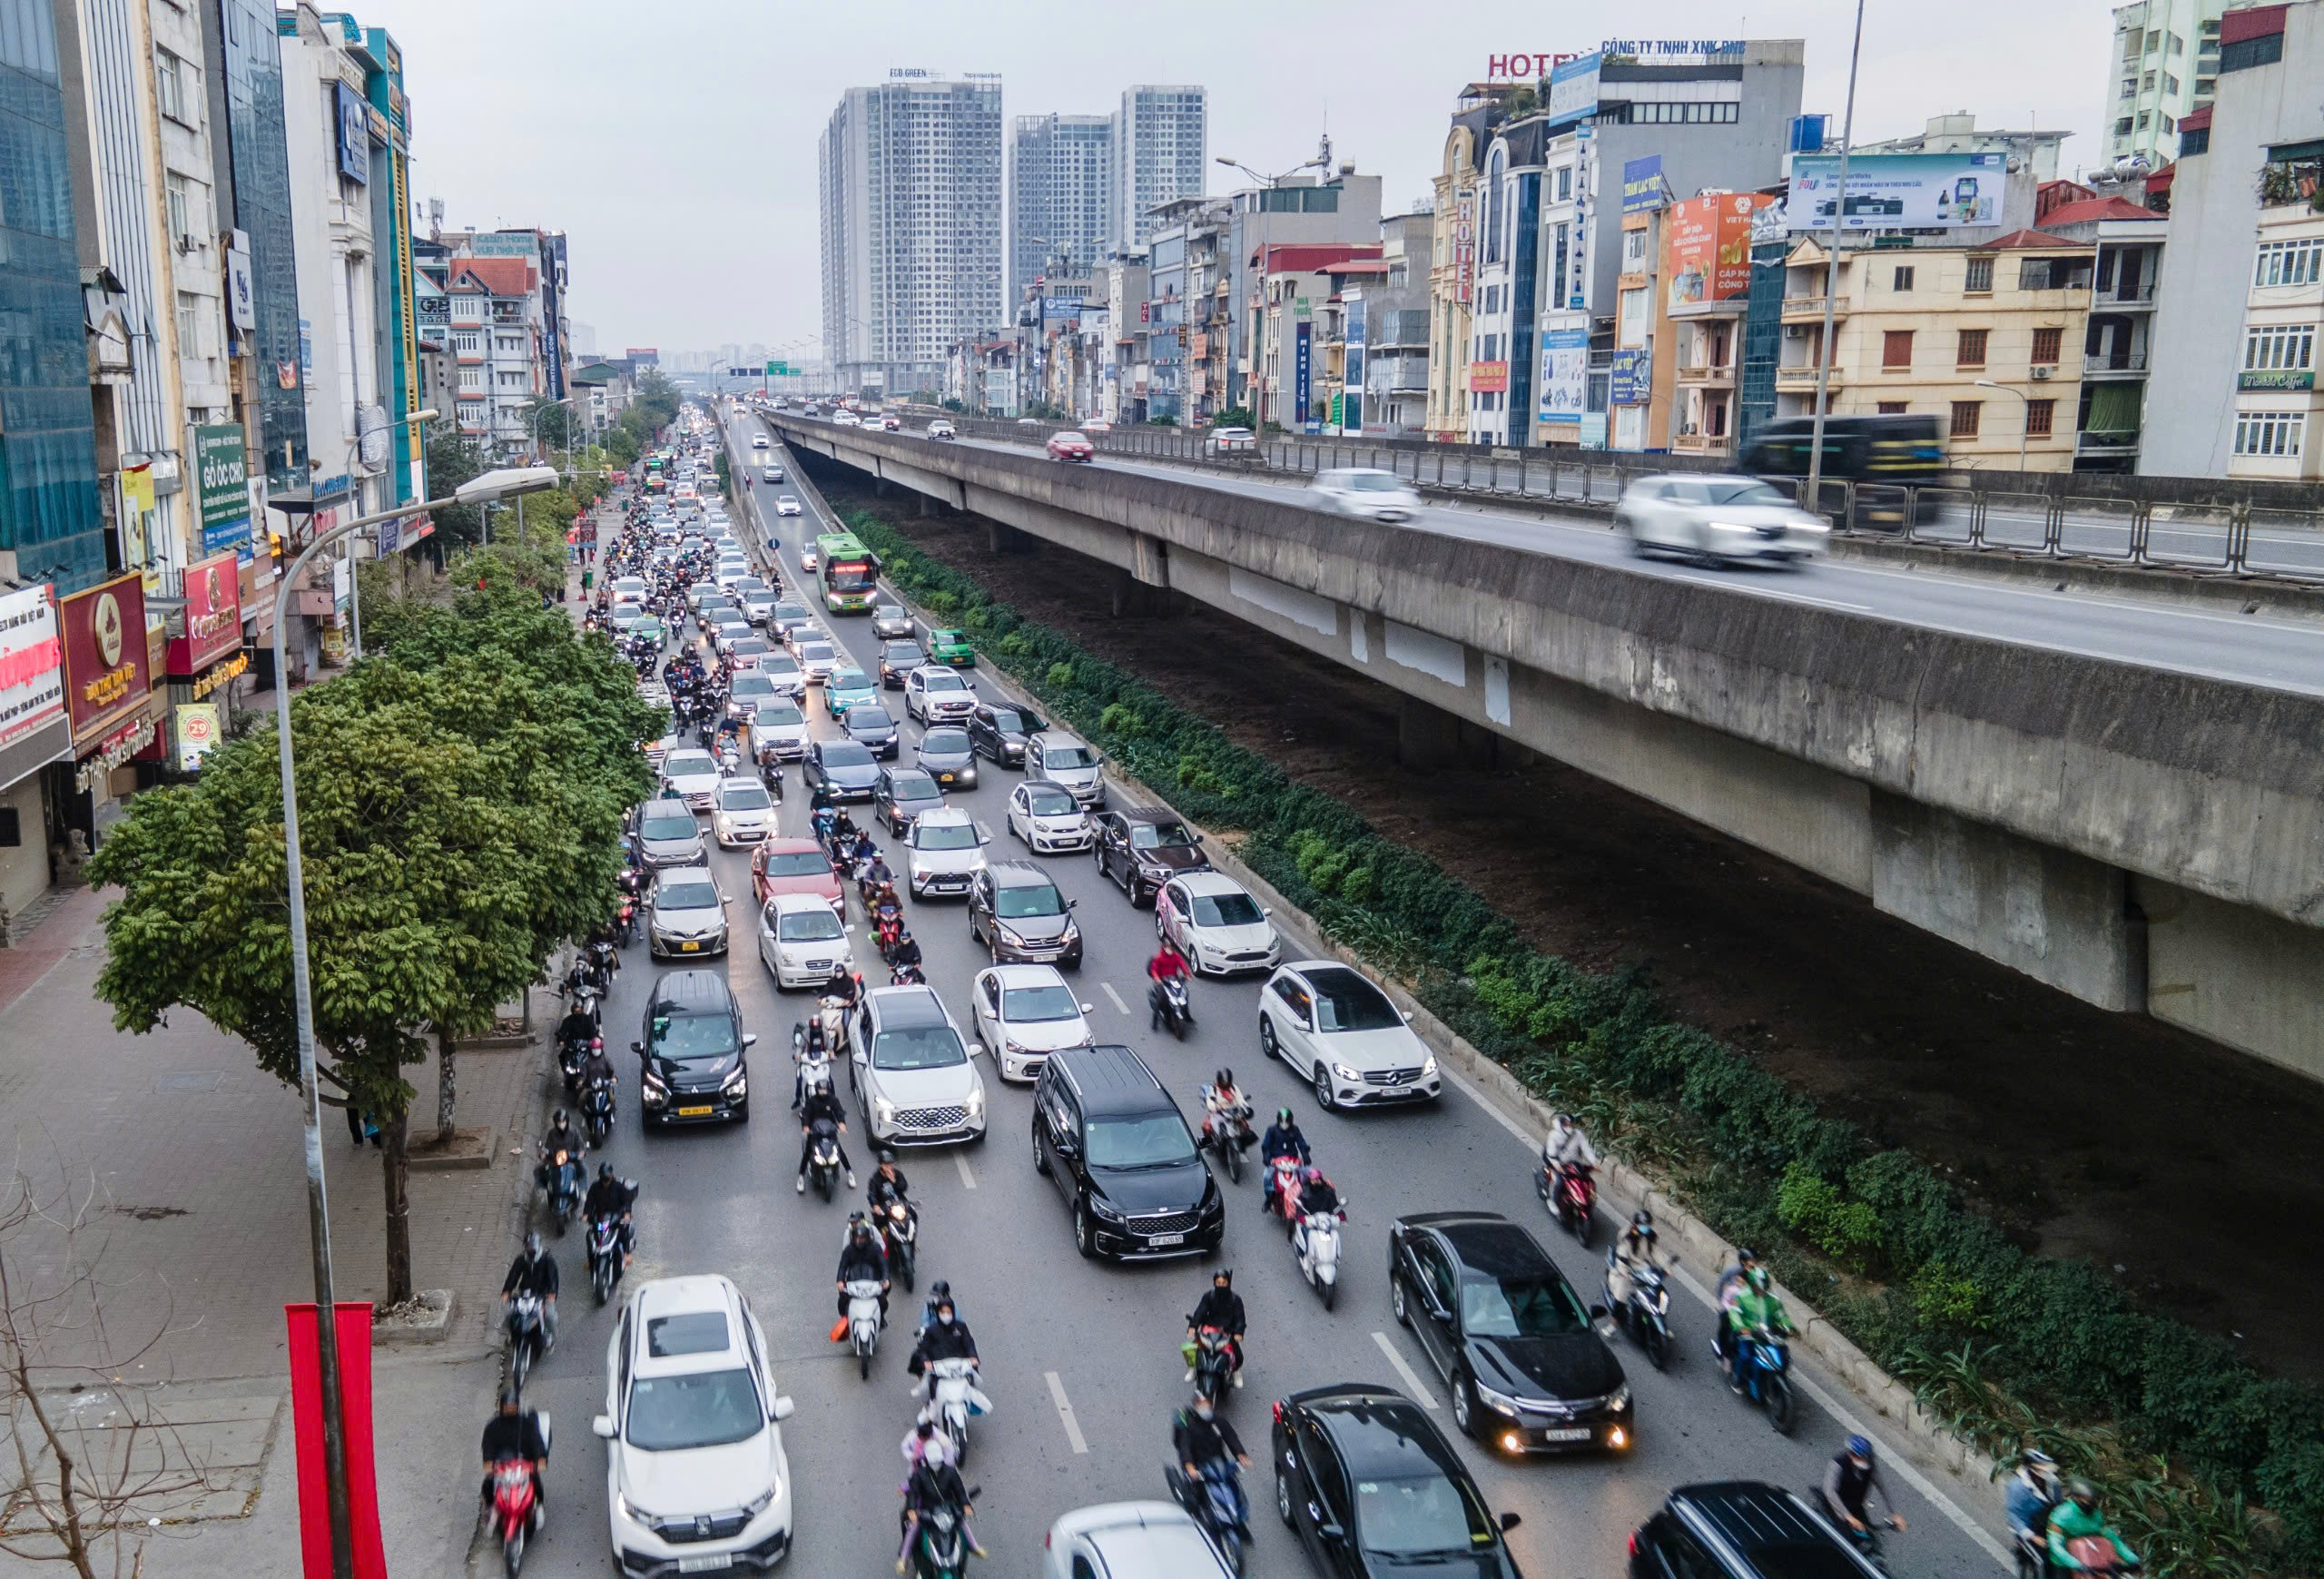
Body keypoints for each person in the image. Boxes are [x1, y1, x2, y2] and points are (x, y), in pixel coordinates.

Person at [1171, 1393, 1251, 1533]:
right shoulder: (1189, 1425)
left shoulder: (1217, 1420)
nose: (1205, 1408)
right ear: (1196, 1407)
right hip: (1198, 1466)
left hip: (1218, 1463)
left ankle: (1238, 1518)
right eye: (1202, 1405)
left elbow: (1230, 1436)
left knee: (1232, 1485)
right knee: (1194, 1499)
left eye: (1207, 1405)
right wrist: (1190, 1467)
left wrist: (1240, 1454)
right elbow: (1185, 1447)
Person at [896, 1450, 983, 1573]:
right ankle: (904, 1559)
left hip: (948, 1509)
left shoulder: (951, 1472)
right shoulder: (919, 1475)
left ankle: (974, 1547)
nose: (936, 1464)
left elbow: (960, 1491)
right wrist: (912, 1509)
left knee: (962, 1523)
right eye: (933, 1462)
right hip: (927, 1511)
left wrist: (965, 1505)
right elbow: (913, 1493)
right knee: (913, 1528)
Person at [478, 1387, 549, 1537]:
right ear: (502, 1407)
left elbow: (536, 1441)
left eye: (513, 1407)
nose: (510, 1410)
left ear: (517, 1406)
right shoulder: (493, 1426)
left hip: (523, 1465)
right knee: (488, 1483)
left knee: (535, 1480)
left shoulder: (526, 1424)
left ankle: (538, 1505)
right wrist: (488, 1462)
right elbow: (488, 1445)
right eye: (507, 1407)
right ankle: (491, 1508)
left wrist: (540, 1459)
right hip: (503, 1466)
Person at [1822, 1436, 1906, 1544]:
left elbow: (1882, 1488)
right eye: (1862, 1458)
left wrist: (1895, 1513)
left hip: (1855, 1505)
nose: (1865, 1461)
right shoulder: (1838, 1464)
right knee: (1848, 1541)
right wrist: (1849, 1517)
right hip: (1837, 1506)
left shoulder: (1870, 1466)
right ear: (1852, 1455)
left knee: (1869, 1534)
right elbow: (1830, 1491)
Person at [2045, 1478, 2139, 1574]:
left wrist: (2132, 1559)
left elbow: (2112, 1538)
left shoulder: (2096, 1513)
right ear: (2075, 1498)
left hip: (2091, 1559)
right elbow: (2055, 1545)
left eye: (2091, 1499)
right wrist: (2076, 1564)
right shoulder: (2061, 1515)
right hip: (2066, 1564)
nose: (2089, 1502)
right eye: (2085, 1499)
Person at [1724, 1265, 1793, 1394]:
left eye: (1764, 1287)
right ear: (1752, 1285)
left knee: (1784, 1355)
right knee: (1745, 1356)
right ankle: (1737, 1379)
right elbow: (1734, 1313)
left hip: (1768, 1336)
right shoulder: (1742, 1296)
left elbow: (1782, 1316)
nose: (1761, 1290)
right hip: (1748, 1336)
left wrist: (1789, 1327)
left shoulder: (1773, 1301)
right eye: (1758, 1287)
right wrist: (1741, 1327)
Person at [906, 1294, 979, 1406]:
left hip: (958, 1366)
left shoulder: (961, 1327)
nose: (945, 1315)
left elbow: (969, 1343)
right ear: (938, 1313)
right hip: (939, 1367)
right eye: (942, 1312)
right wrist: (926, 1361)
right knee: (930, 1401)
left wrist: (973, 1357)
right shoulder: (931, 1330)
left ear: (953, 1313)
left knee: (972, 1376)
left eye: (948, 1312)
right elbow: (923, 1349)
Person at [500, 1231, 559, 1351]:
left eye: (533, 1247)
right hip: (525, 1294)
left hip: (543, 1294)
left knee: (549, 1316)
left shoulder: (547, 1259)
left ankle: (550, 1337)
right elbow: (513, 1275)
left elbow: (553, 1277)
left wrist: (552, 1293)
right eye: (528, 1247)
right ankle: (512, 1334)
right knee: (510, 1313)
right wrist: (507, 1291)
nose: (531, 1250)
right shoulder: (521, 1260)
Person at [797, 1075, 856, 1192]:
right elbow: (806, 1114)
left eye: (825, 1089)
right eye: (821, 1089)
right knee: (808, 1153)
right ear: (817, 1090)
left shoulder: (833, 1100)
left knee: (839, 1151)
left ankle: (850, 1173)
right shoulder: (811, 1101)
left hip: (830, 1132)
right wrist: (806, 1126)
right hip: (815, 1133)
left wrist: (842, 1124)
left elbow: (839, 1112)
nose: (823, 1091)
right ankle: (801, 1177)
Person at [1187, 1268, 1246, 1382]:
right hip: (1210, 1329)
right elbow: (1200, 1311)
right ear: (1214, 1283)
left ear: (1228, 1283)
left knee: (1237, 1354)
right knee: (1191, 1347)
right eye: (1218, 1283)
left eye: (1224, 1283)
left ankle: (1236, 1371)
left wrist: (1238, 1332)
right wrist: (1193, 1326)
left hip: (1227, 1331)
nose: (1221, 1286)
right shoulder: (1208, 1296)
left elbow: (1240, 1318)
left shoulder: (1236, 1299)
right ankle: (1192, 1368)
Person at [1713, 1245, 1761, 1373]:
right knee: (1728, 1330)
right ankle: (1725, 1355)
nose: (1755, 1264)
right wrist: (1719, 1302)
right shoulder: (1732, 1271)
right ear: (1743, 1262)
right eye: (1752, 1261)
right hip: (1728, 1307)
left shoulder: (1755, 1275)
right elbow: (1720, 1284)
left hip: (1745, 1308)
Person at [835, 1214, 890, 1321]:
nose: (860, 1240)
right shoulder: (848, 1250)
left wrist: (885, 1279)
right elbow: (842, 1266)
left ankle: (880, 1317)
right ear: (854, 1238)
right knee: (842, 1298)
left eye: (863, 1238)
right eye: (858, 1238)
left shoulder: (875, 1248)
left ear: (867, 1238)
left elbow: (883, 1264)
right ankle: (845, 1318)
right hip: (854, 1279)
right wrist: (840, 1281)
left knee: (883, 1301)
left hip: (873, 1279)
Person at [1259, 1108, 1310, 1218]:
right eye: (1282, 1121)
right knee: (1267, 1177)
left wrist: (1306, 1156)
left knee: (1309, 1174)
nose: (1284, 1124)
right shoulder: (1271, 1130)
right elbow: (1265, 1146)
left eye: (1286, 1121)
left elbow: (1301, 1143)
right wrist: (1267, 1158)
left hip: (1292, 1161)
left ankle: (1308, 1198)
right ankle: (1268, 1199)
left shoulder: (1295, 1130)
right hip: (1276, 1162)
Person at [2004, 1449, 2060, 1549]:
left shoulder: (2053, 1481)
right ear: (2032, 1469)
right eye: (2041, 1469)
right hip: (2030, 1528)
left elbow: (2058, 1503)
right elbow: (2013, 1517)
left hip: (2049, 1523)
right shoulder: (2017, 1487)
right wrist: (2033, 1537)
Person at [583, 1163, 638, 1263]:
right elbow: (589, 1201)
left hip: (616, 1218)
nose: (605, 1180)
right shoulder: (595, 1187)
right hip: (600, 1217)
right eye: (603, 1177)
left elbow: (626, 1201)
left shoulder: (618, 1187)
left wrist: (627, 1213)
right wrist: (586, 1214)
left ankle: (626, 1254)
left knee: (624, 1230)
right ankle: (590, 1257)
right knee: (591, 1235)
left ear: (611, 1175)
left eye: (607, 1176)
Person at [1607, 1210, 1660, 1312]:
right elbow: (1622, 1254)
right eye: (1644, 1225)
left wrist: (1665, 1267)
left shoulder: (1650, 1236)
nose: (1647, 1227)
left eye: (1648, 1225)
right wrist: (1624, 1270)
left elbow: (1656, 1253)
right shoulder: (1627, 1236)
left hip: (1642, 1269)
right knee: (1621, 1295)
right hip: (1627, 1268)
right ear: (1636, 1224)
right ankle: (1614, 1323)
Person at [1543, 1110, 1598, 1174]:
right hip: (1559, 1163)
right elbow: (1551, 1153)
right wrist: (1556, 1164)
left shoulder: (1577, 1134)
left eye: (1571, 1124)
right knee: (1559, 1182)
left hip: (1574, 1163)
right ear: (1561, 1123)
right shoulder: (1553, 1135)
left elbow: (1586, 1148)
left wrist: (1594, 1162)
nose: (1569, 1126)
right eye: (1566, 1123)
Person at [867, 1150, 911, 1214]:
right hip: (885, 1206)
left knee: (912, 1213)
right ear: (881, 1165)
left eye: (891, 1165)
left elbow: (904, 1187)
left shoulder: (898, 1174)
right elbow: (872, 1194)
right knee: (879, 1219)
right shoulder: (874, 1180)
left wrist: (894, 1181)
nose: (889, 1168)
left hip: (900, 1202)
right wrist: (875, 1205)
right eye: (886, 1165)